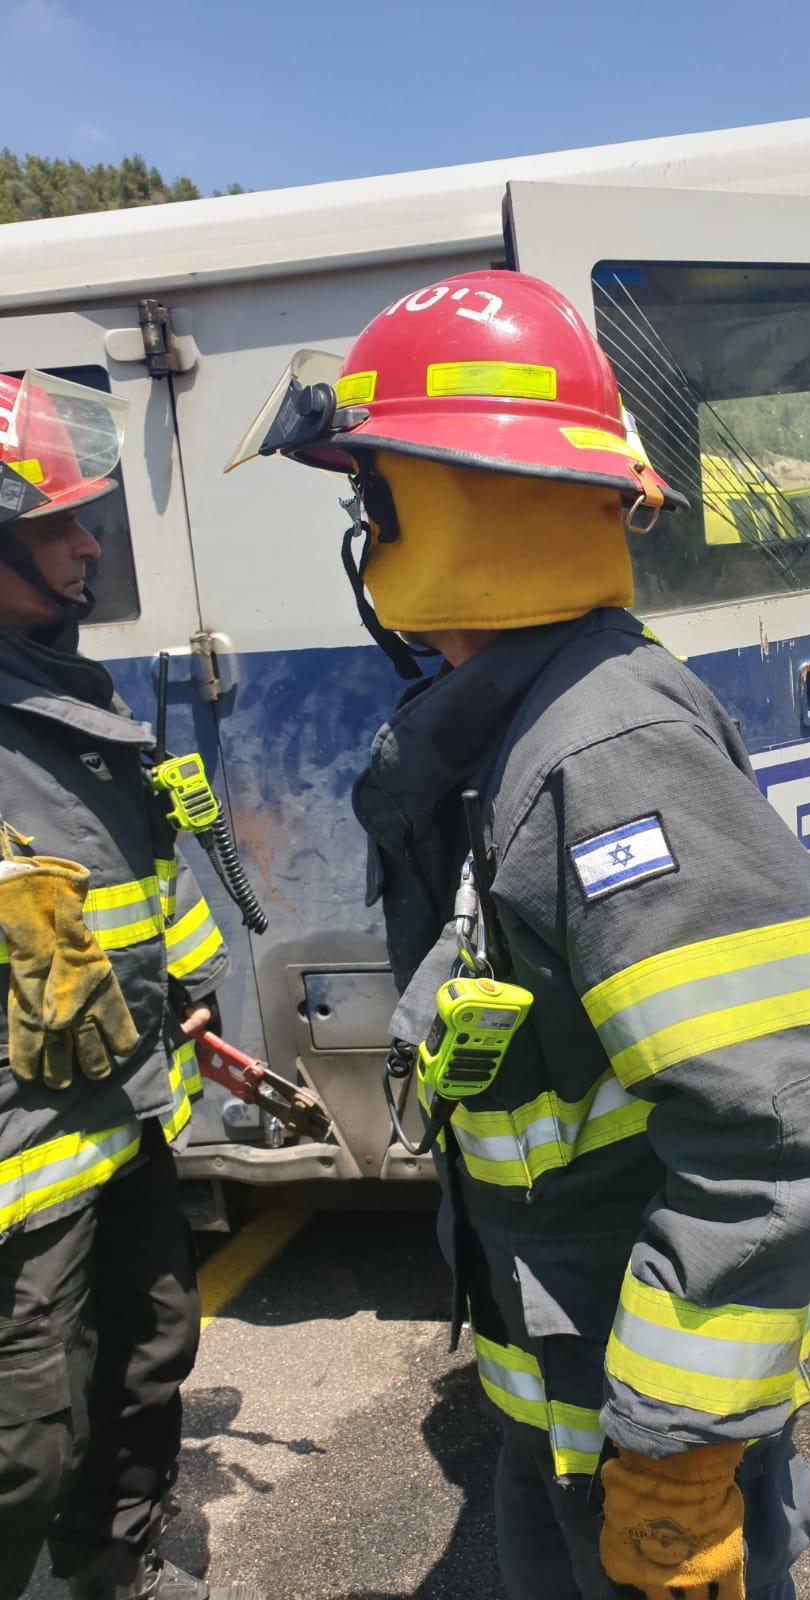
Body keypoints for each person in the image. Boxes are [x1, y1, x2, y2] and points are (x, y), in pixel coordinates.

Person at [231, 272, 810, 1599]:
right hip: (570, 1390)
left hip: (634, 1428)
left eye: (375, 498)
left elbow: (776, 1128)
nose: (366, 533)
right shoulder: (524, 731)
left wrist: (680, 1450)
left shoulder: (607, 751)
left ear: (454, 502)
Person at [0, 372, 259, 1600]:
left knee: (148, 1358)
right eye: (56, 522)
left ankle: (113, 1572)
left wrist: (194, 989)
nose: (88, 541)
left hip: (118, 1118)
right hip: (19, 1166)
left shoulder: (74, 698)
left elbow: (133, 884)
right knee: (23, 1439)